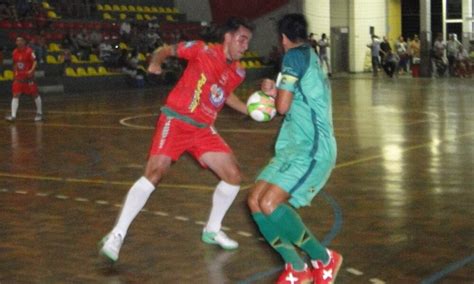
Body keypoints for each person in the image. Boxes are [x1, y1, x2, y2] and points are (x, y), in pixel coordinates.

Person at [99, 17, 256, 262]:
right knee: (155, 173)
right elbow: (165, 50)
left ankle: (212, 230)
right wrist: (155, 64)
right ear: (227, 37)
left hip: (203, 128)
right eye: (242, 39)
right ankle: (116, 234)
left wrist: (251, 109)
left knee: (234, 176)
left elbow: (224, 95)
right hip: (176, 119)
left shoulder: (237, 71)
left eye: (248, 41)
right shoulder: (202, 50)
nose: (245, 46)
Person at [247, 14, 342, 284]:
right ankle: (296, 268)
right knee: (254, 201)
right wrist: (274, 88)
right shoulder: (305, 56)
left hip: (312, 148)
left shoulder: (293, 57)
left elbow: (282, 108)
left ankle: (324, 259)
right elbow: (294, 94)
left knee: (268, 203)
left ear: (283, 38)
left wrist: (274, 97)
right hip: (293, 147)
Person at [5, 37, 43, 122]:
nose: (18, 42)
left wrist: (31, 70)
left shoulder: (30, 51)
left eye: (20, 40)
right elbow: (15, 64)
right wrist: (14, 74)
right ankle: (13, 116)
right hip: (19, 78)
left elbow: (35, 62)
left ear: (24, 42)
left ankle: (39, 113)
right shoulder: (14, 52)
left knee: (35, 94)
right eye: (17, 40)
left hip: (29, 78)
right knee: (15, 95)